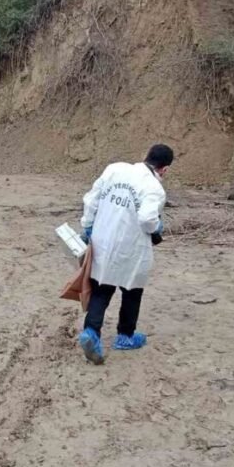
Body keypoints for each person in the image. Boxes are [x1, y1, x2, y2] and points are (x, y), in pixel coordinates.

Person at [76, 144, 173, 365]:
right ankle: (125, 336)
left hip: (103, 239)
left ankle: (91, 332)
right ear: (164, 169)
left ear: (145, 155)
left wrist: (88, 226)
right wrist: (157, 227)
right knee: (132, 290)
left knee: (102, 288)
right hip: (131, 247)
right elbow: (147, 219)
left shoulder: (115, 169)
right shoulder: (154, 188)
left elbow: (91, 200)